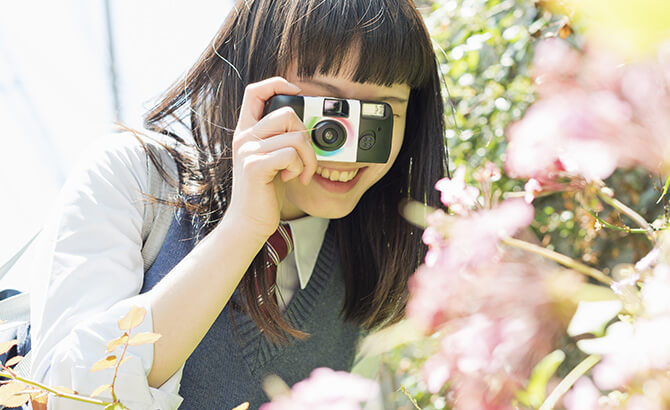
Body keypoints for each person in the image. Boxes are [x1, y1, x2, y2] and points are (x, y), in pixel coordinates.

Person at [26, 0, 447, 408]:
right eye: (326, 110)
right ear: (254, 86)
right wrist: (243, 227)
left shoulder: (389, 266)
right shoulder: (135, 179)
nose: (348, 148)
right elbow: (63, 398)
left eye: (380, 114)